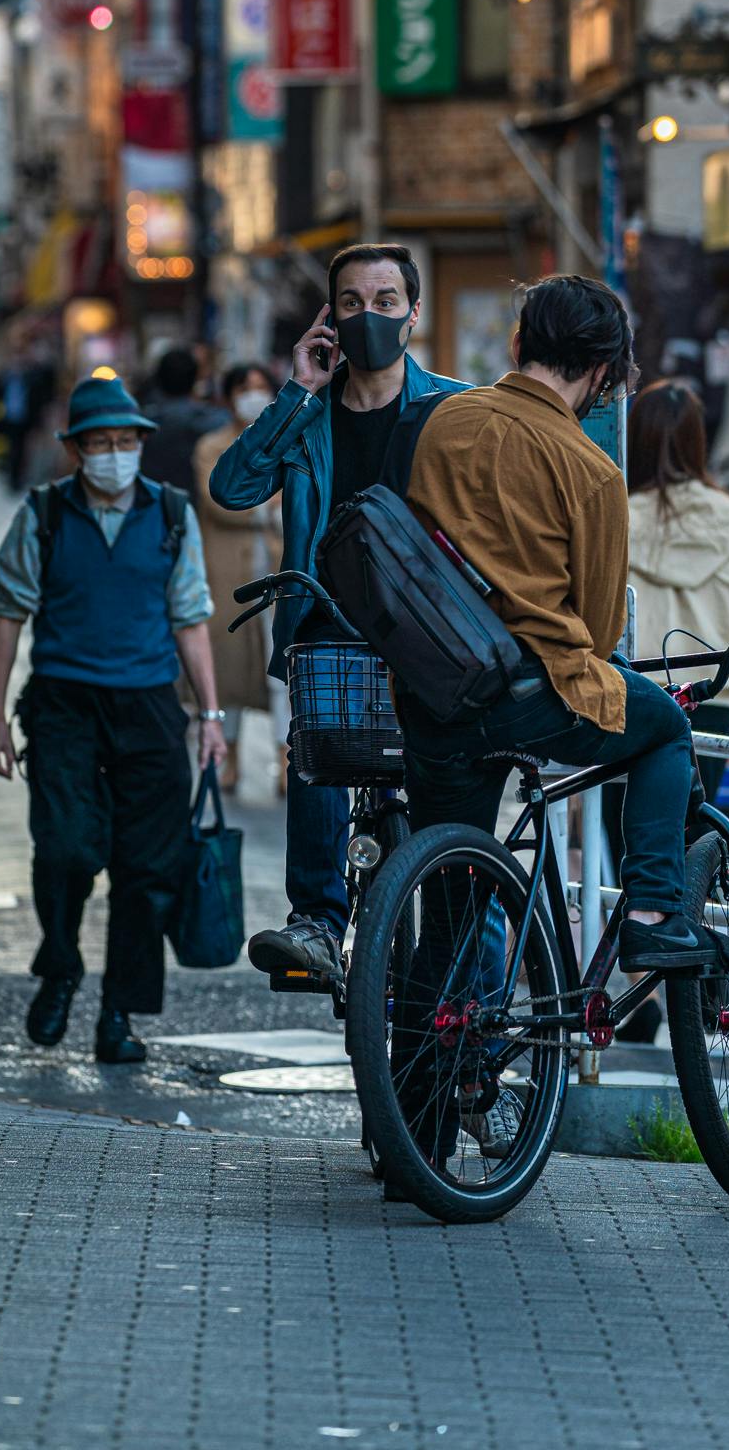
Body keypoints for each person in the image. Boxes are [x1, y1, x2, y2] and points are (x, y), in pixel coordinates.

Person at [403, 276, 709, 971]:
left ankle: (424, 1077)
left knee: (448, 918)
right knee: (664, 727)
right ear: (604, 371)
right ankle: (652, 912)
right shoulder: (590, 470)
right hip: (534, 695)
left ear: (518, 344)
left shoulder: (442, 421)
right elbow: (598, 634)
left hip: (430, 688)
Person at [208, 243, 466, 990]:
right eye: (351, 302)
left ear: (413, 314)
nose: (369, 316)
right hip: (325, 624)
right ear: (329, 318)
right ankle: (316, 921)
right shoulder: (309, 413)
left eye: (385, 301)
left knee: (450, 806)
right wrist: (295, 389)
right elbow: (232, 486)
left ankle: (470, 987)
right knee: (317, 752)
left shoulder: (451, 408)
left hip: (432, 634)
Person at [0, 374, 228, 1065]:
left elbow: (192, 620)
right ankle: (59, 964)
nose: (115, 454)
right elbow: (8, 618)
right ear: (76, 450)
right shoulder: (44, 515)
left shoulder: (172, 514)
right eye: (100, 443)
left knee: (146, 870)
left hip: (150, 707)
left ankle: (118, 1015)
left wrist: (208, 716)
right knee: (64, 848)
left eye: (126, 442)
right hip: (63, 703)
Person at [617, 378, 729, 807]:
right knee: (694, 836)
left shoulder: (614, 517)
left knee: (624, 844)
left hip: (629, 695)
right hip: (712, 697)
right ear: (697, 441)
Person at [192, 362, 285, 795]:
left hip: (280, 572)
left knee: (282, 669)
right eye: (245, 388)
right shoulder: (212, 446)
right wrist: (268, 510)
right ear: (227, 396)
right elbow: (220, 503)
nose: (253, 395)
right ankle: (226, 758)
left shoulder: (288, 440)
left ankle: (287, 759)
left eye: (262, 388)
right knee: (228, 667)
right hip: (229, 571)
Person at [139, 343, 221, 498]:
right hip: (196, 506)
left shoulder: (142, 423)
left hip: (152, 503)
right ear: (196, 378)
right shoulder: (214, 422)